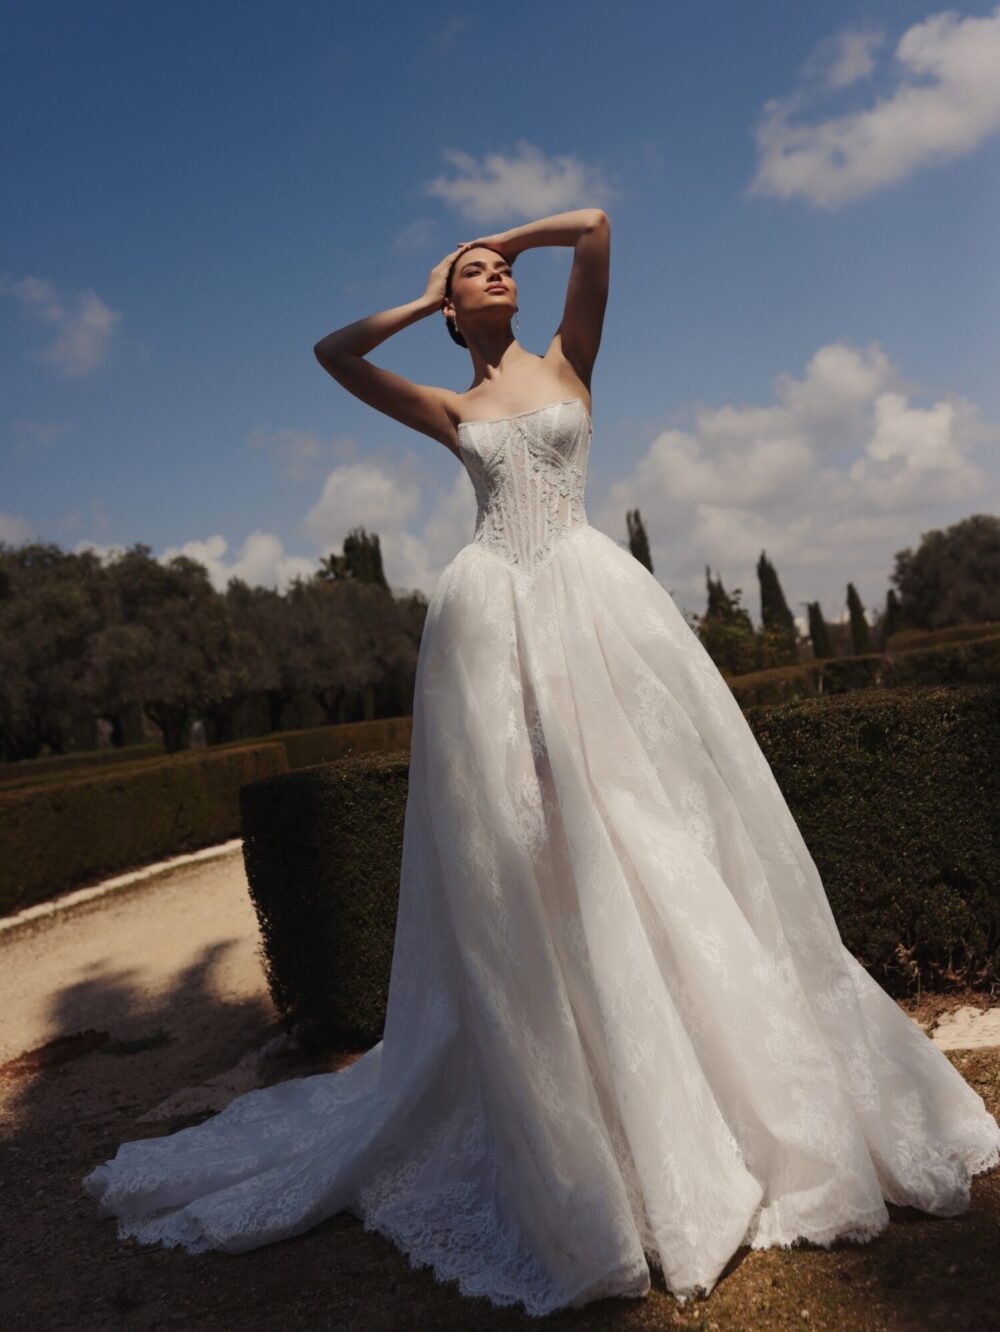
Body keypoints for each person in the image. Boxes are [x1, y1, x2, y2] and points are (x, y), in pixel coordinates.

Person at [83, 209, 1000, 1317]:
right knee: (531, 843)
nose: (499, 276)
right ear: (454, 307)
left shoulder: (570, 358)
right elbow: (333, 356)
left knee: (653, 827)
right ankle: (584, 1095)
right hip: (491, 631)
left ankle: (705, 1091)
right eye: (480, 274)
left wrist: (503, 234)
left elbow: (599, 228)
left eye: (502, 270)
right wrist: (427, 291)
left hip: (599, 614)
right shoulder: (450, 405)